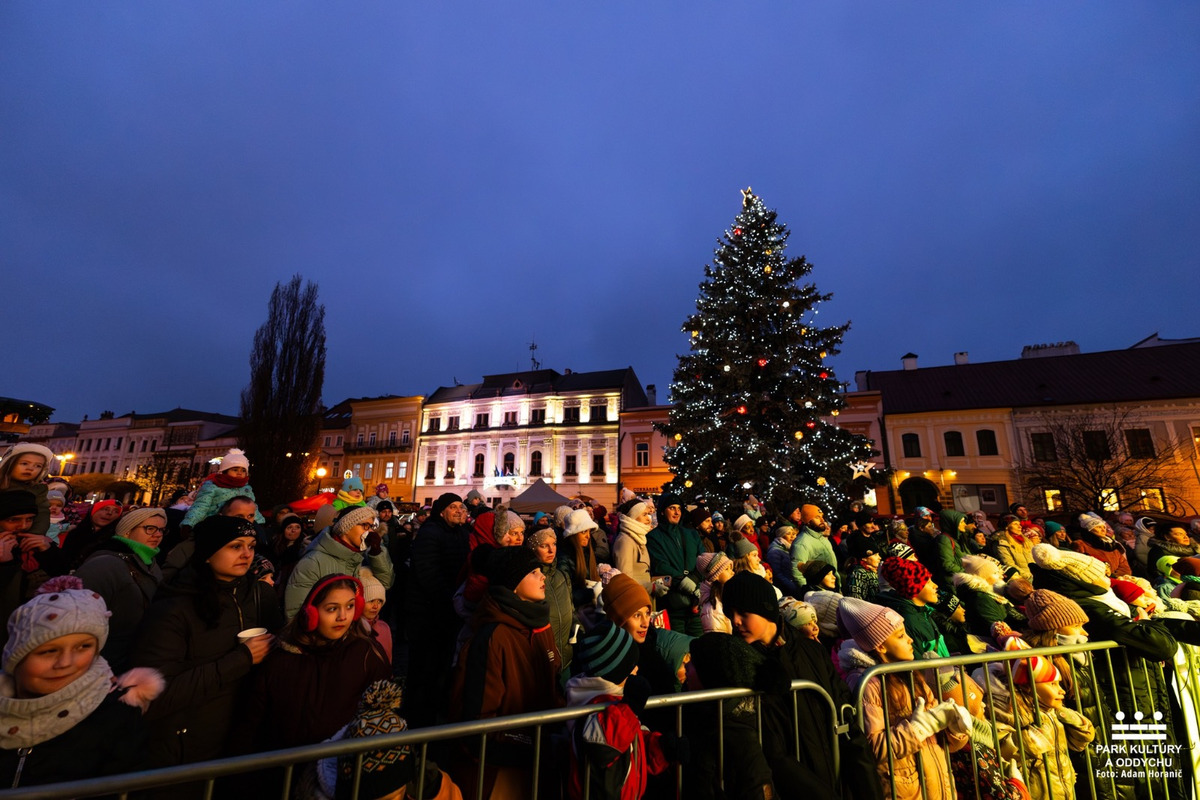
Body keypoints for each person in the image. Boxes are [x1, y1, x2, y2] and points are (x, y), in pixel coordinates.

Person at [131, 515, 283, 771]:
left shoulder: (256, 595)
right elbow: (154, 695)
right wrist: (242, 659)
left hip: (240, 739)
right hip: (184, 748)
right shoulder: (175, 607)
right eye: (235, 546)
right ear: (208, 554)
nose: (246, 554)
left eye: (251, 546)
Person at [722, 572, 882, 800]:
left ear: (766, 609)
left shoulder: (813, 651)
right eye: (730, 614)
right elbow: (772, 751)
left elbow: (845, 719)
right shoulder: (739, 665)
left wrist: (869, 790)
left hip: (835, 774)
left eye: (743, 613)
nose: (735, 621)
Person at [0, 576, 164, 789]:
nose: (65, 663)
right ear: (16, 657)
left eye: (83, 647)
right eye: (49, 651)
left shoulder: (115, 718)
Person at [450, 548, 562, 799]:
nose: (543, 576)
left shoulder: (541, 625)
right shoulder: (492, 637)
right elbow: (477, 721)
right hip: (501, 772)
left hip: (539, 760)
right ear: (513, 584)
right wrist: (524, 749)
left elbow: (553, 684)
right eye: (533, 572)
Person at [236, 575, 391, 753]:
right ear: (311, 614)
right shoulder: (280, 659)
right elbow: (250, 724)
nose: (343, 616)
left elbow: (381, 715)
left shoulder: (367, 654)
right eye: (332, 609)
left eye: (350, 606)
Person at [837, 597, 969, 800]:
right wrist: (918, 729)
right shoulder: (868, 683)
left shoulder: (914, 675)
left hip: (938, 783)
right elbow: (872, 748)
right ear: (880, 646)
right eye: (900, 636)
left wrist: (954, 728)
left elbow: (942, 742)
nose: (910, 640)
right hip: (906, 790)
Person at [565, 621, 672, 800]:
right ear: (615, 672)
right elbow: (601, 746)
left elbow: (632, 741)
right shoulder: (593, 703)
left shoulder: (617, 700)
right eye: (631, 666)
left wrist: (661, 748)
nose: (637, 669)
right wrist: (629, 709)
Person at [405, 493, 471, 728]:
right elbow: (428, 573)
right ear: (441, 511)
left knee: (443, 667)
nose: (459, 510)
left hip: (448, 611)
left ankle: (436, 717)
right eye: (453, 507)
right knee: (425, 669)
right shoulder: (431, 532)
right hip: (428, 613)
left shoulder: (461, 532)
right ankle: (417, 724)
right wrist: (451, 599)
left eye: (461, 506)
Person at [74, 506, 166, 671]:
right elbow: (77, 617)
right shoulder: (105, 564)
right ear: (127, 531)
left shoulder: (150, 563)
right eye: (150, 528)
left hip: (130, 658)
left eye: (161, 530)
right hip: (103, 661)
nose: (157, 534)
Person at [992, 656, 1095, 800]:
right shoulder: (1011, 713)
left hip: (1063, 788)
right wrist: (1034, 738)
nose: (1062, 690)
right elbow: (1002, 750)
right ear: (1029, 687)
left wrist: (1069, 718)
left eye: (1059, 684)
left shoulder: (1052, 713)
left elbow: (1079, 743)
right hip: (1037, 792)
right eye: (1053, 684)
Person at [285, 505, 394, 620]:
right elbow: (294, 614)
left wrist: (376, 552)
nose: (370, 531)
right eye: (365, 525)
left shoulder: (359, 556)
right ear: (346, 527)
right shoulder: (313, 562)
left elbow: (386, 582)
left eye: (371, 526)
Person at [646, 493, 703, 636]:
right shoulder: (653, 537)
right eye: (672, 508)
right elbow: (660, 565)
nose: (677, 512)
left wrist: (695, 580)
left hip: (695, 604)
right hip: (673, 605)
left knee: (699, 644)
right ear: (662, 511)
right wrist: (683, 581)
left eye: (679, 508)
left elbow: (703, 559)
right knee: (678, 645)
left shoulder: (691, 534)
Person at [876, 556, 950, 658]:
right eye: (928, 582)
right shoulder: (909, 621)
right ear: (913, 587)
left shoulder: (923, 611)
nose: (935, 586)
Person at [525, 525, 574, 675]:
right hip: (542, 662)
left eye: (554, 544)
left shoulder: (562, 576)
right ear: (533, 549)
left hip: (567, 659)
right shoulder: (529, 582)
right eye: (544, 546)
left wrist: (577, 628)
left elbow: (571, 609)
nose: (551, 550)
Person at [181, 448, 265, 529]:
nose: (239, 473)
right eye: (235, 470)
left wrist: (260, 522)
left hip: (241, 524)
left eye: (243, 470)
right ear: (225, 471)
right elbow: (200, 506)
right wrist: (189, 523)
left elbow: (252, 507)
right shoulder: (212, 486)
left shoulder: (246, 488)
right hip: (215, 524)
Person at [0, 443, 55, 536]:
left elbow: (42, 515)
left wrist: (34, 535)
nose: (30, 468)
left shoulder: (38, 490)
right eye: (24, 463)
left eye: (38, 466)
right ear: (9, 464)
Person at [789, 504, 840, 592]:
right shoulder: (802, 543)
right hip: (818, 592)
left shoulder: (822, 538)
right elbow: (797, 573)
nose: (822, 520)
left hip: (831, 587)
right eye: (817, 517)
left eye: (822, 517)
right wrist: (809, 593)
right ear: (808, 521)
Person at [612, 498, 654, 595]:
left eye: (648, 514)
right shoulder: (625, 541)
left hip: (642, 594)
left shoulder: (639, 537)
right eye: (644, 515)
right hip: (635, 596)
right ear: (633, 517)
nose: (649, 519)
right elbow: (625, 578)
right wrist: (651, 587)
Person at [358, 567, 392, 664]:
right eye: (371, 600)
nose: (376, 606)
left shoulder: (384, 628)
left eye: (380, 601)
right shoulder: (352, 630)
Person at [697, 551, 734, 634]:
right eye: (727, 569)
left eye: (731, 568)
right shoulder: (712, 610)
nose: (732, 572)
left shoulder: (724, 596)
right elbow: (717, 638)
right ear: (716, 576)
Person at [991, 516, 1035, 581]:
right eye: (1015, 524)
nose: (1019, 526)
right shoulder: (1002, 543)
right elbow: (1008, 563)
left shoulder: (1026, 541)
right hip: (1020, 579)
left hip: (1036, 577)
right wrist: (1029, 576)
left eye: (1019, 524)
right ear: (1007, 526)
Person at [844, 536, 882, 601]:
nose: (879, 558)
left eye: (878, 554)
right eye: (875, 555)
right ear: (864, 558)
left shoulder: (873, 570)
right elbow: (855, 598)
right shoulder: (858, 574)